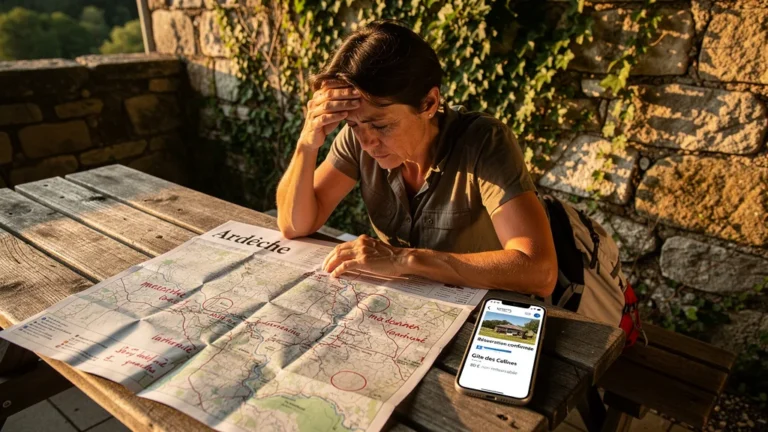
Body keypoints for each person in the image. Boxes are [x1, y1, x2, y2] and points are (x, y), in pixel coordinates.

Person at [276, 20, 634, 330]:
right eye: (353, 125)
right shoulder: (358, 140)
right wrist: (308, 142)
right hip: (419, 311)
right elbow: (295, 225)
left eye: (381, 125)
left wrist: (401, 260)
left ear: (429, 104)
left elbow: (538, 271)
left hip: (492, 314)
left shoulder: (482, 143)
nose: (367, 141)